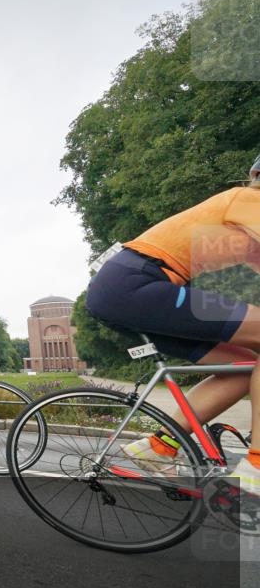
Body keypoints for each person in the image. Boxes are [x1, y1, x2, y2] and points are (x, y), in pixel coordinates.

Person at [85, 153, 260, 494]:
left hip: (130, 287)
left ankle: (160, 446)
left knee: (243, 366)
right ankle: (256, 464)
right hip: (138, 282)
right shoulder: (248, 199)